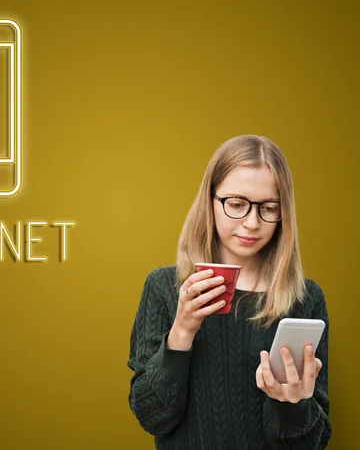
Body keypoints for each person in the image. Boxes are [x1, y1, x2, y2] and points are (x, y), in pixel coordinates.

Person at [127, 135, 330, 449]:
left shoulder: (305, 299)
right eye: (236, 204)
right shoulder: (164, 288)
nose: (251, 223)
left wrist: (291, 403)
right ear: (211, 200)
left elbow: (314, 443)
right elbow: (152, 417)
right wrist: (181, 332)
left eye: (269, 208)